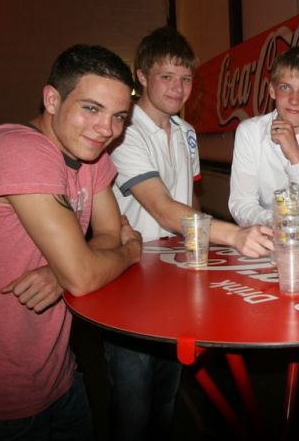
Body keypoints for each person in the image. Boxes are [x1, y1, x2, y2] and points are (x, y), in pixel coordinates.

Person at [0, 45, 143, 440]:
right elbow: (88, 271)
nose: (106, 129)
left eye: (119, 116)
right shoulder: (17, 149)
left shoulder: (92, 158)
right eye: (91, 108)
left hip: (61, 378)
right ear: (52, 99)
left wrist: (61, 271)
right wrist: (128, 253)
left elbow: (106, 234)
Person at [106, 25, 274, 440]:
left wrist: (206, 255)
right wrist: (233, 236)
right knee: (132, 406)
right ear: (141, 76)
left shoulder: (186, 132)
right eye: (166, 76)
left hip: (175, 275)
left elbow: (190, 200)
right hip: (128, 276)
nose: (178, 88)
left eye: (185, 78)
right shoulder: (122, 132)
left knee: (166, 394)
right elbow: (163, 209)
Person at [229, 45, 299, 225]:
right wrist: (283, 223)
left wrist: (296, 156)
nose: (294, 99)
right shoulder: (250, 132)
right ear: (272, 91)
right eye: (285, 88)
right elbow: (242, 205)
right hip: (268, 233)